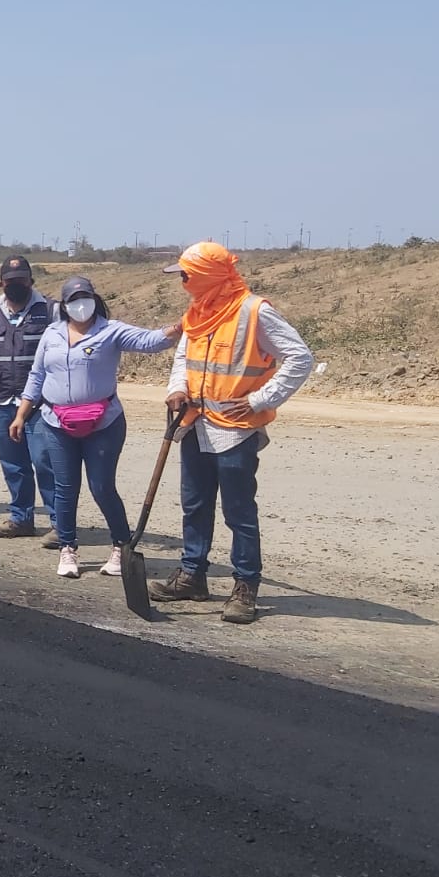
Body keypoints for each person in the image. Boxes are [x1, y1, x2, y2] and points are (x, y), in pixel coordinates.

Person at [149, 241, 314, 623]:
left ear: (205, 275)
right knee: (195, 505)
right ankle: (192, 575)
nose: (183, 282)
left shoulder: (255, 311)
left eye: (186, 275)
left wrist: (261, 399)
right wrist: (177, 388)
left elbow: (300, 357)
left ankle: (245, 586)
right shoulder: (198, 310)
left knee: (238, 511)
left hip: (236, 430)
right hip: (195, 423)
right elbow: (183, 357)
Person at [10, 277, 182, 578]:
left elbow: (151, 341)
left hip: (104, 423)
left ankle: (121, 546)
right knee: (65, 488)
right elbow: (37, 376)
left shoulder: (110, 331)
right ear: (64, 305)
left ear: (94, 299)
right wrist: (21, 414)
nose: (80, 304)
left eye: (85, 297)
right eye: (73, 299)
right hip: (57, 422)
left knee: (101, 486)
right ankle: (67, 548)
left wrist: (182, 326)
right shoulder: (52, 333)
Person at [0, 255, 59, 544]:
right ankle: (21, 518)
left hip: (40, 404)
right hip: (2, 400)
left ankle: (60, 524)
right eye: (10, 281)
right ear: (1, 283)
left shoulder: (50, 310)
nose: (16, 285)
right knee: (12, 463)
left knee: (45, 461)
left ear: (31, 281)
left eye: (21, 280)